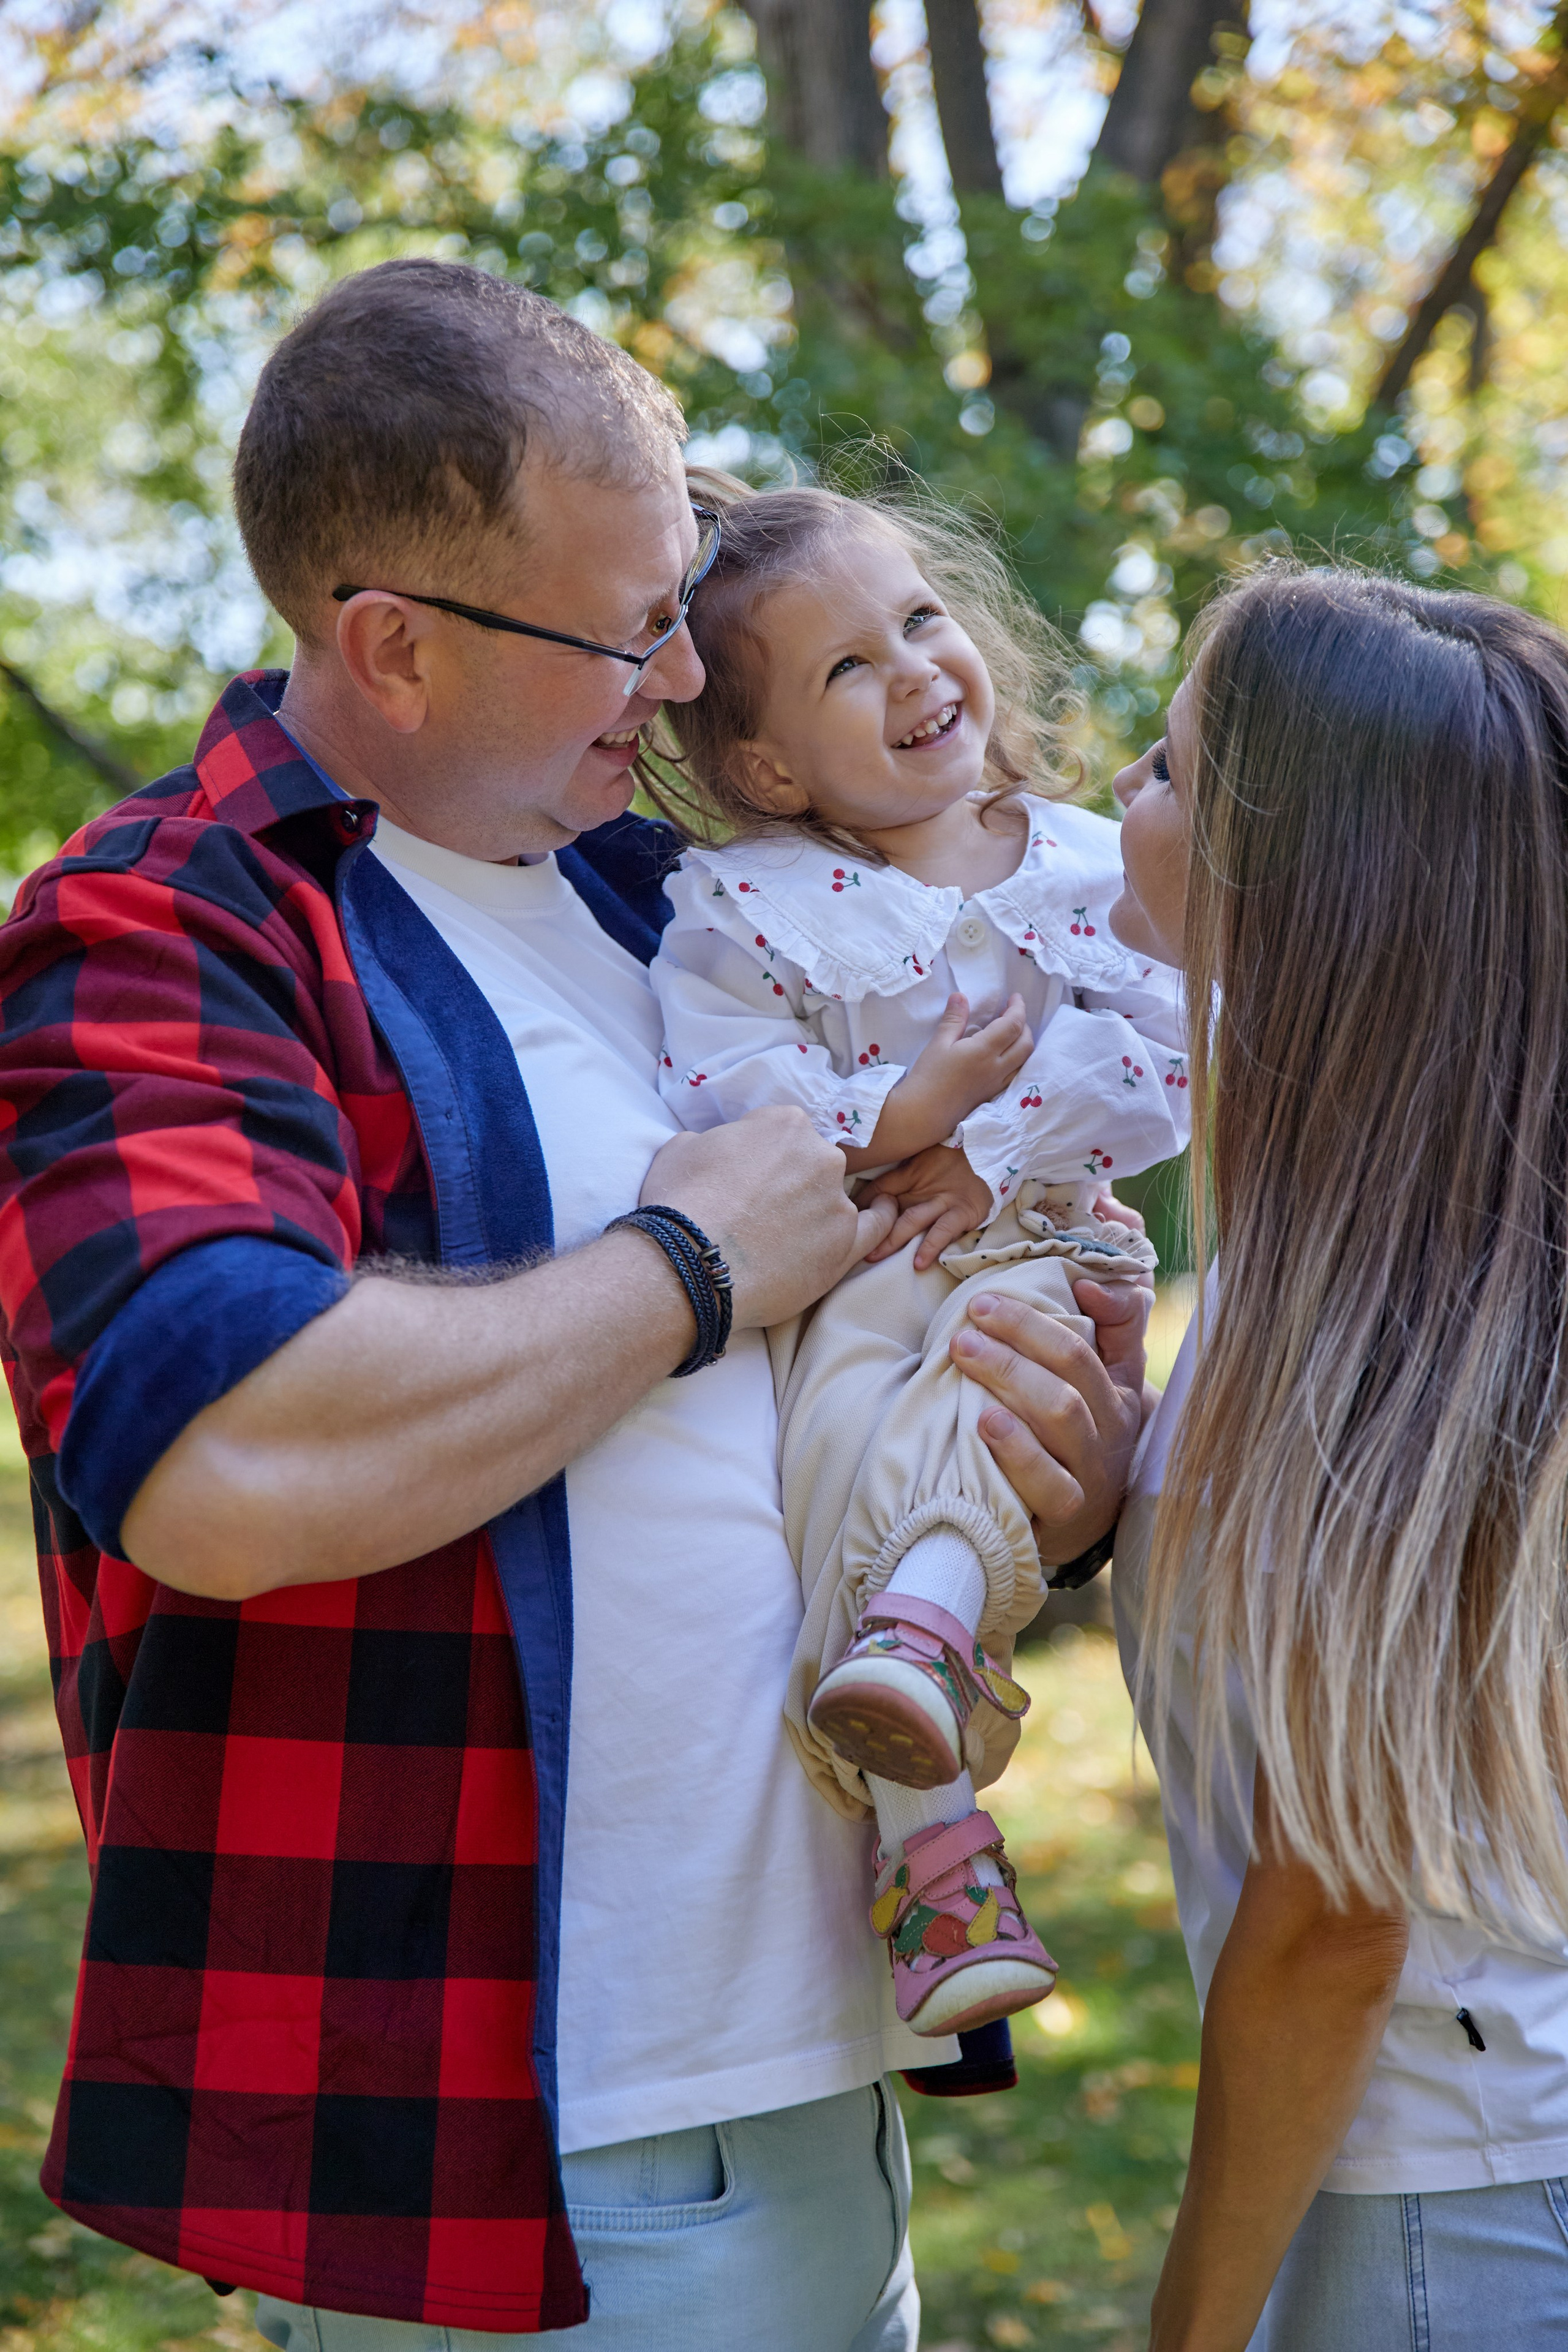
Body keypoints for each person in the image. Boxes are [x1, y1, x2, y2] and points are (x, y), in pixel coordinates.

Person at [0, 256, 1142, 2351]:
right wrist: (693, 1269)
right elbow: (215, 1449)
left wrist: (1048, 1495)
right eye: (631, 629)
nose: (685, 672)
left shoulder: (677, 907)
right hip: (540, 2144)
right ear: (393, 644)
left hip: (815, 2068)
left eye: (684, 593)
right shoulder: (174, 923)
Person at [647, 478, 1189, 2041]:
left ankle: (924, 1659)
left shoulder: (1086, 860)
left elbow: (1174, 1052)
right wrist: (899, 1112)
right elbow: (719, 1084)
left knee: (970, 1397)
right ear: (761, 764)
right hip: (855, 1267)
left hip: (1029, 1240)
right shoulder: (744, 905)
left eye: (920, 620)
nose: (914, 670)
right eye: (846, 670)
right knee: (826, 1463)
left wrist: (988, 1142)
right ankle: (933, 1845)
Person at [1104, 565, 1568, 2350]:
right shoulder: (1402, 1251)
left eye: (1164, 769)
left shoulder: (1385, 1330)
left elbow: (1332, 1925)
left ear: (1285, 887)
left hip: (1454, 2208)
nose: (1114, 804)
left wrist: (1192, 2329)